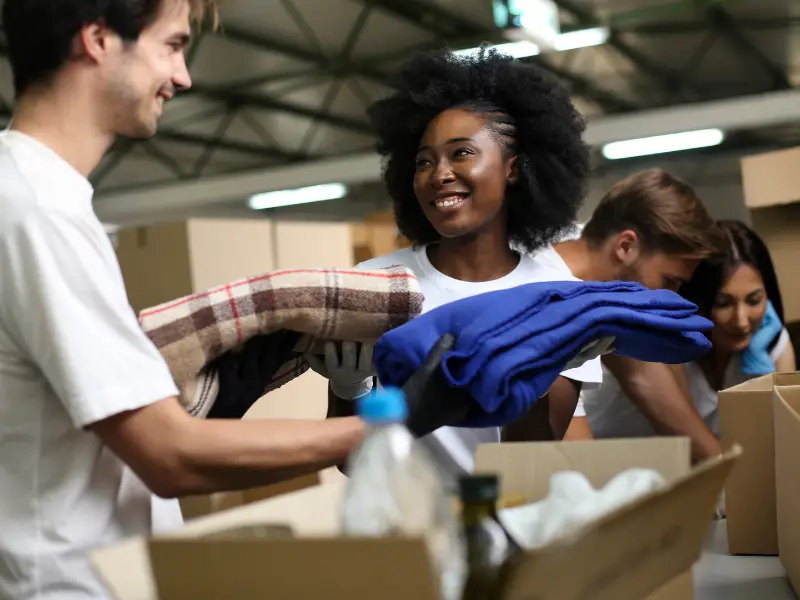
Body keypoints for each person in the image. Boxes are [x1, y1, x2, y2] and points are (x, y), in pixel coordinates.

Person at [0, 2, 445, 597]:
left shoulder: (36, 199)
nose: (183, 77)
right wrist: (382, 427)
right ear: (99, 39)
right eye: (172, 45)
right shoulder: (39, 214)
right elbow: (169, 456)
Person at [317, 46, 602, 488]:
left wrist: (537, 378)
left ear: (513, 169)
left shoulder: (555, 294)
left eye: (461, 153)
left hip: (508, 522)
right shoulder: (378, 287)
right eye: (424, 162)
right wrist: (349, 388)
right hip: (410, 532)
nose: (439, 174)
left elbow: (529, 460)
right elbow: (353, 464)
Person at [536, 169, 728, 462]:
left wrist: (725, 471)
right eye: (669, 281)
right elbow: (573, 454)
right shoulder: (558, 302)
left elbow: (644, 375)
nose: (671, 297)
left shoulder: (581, 249)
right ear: (625, 247)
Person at [670, 220, 796, 433]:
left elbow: (786, 438)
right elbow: (686, 441)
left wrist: (765, 378)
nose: (741, 321)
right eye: (723, 303)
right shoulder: (674, 350)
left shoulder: (776, 346)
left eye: (754, 300)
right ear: (700, 302)